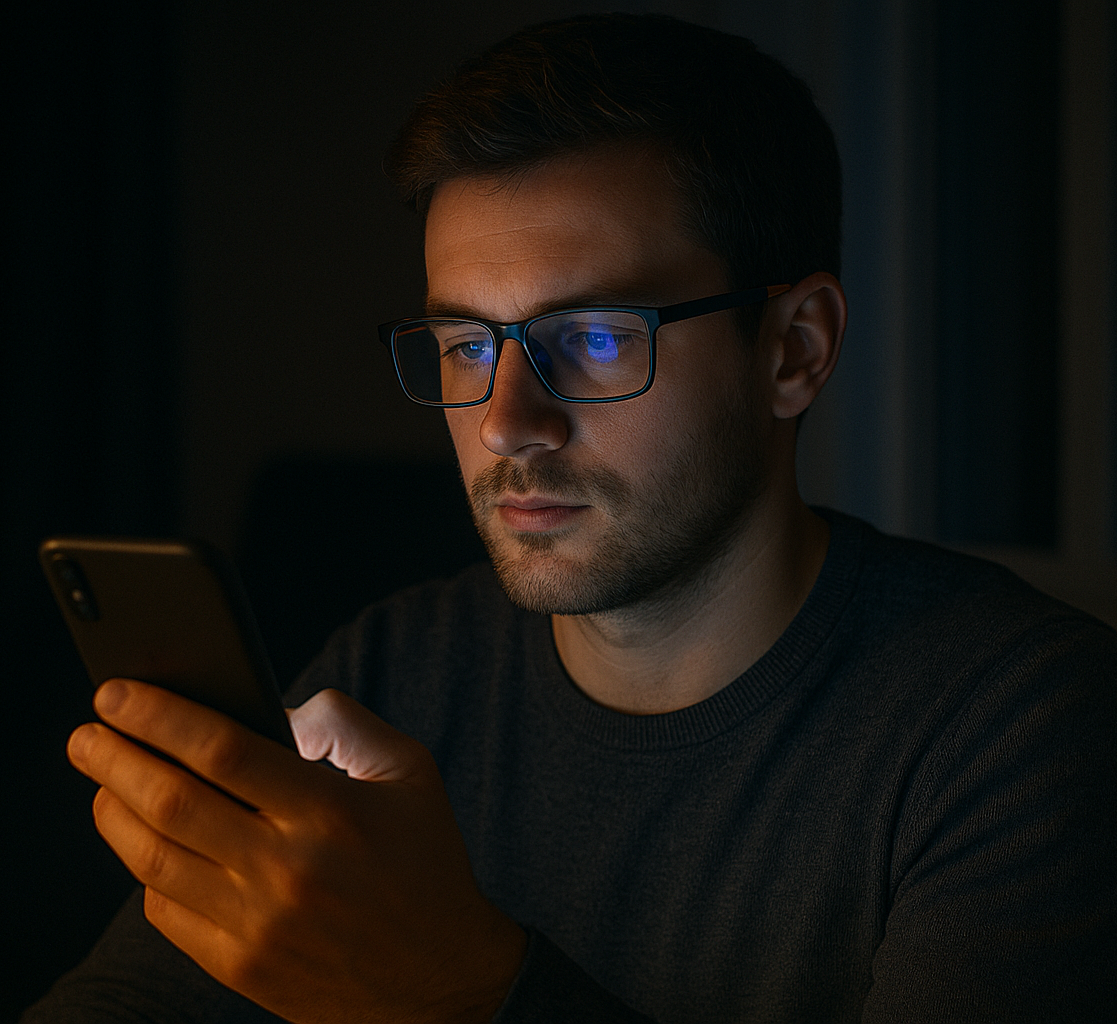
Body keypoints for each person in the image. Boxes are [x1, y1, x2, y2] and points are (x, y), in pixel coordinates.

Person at [23, 12, 1116, 1024]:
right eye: (464, 345)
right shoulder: (395, 674)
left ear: (794, 349)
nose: (506, 423)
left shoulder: (1027, 735)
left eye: (593, 339)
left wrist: (458, 990)